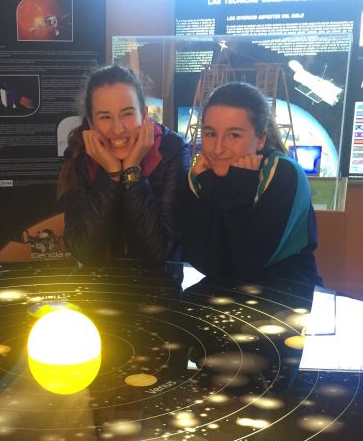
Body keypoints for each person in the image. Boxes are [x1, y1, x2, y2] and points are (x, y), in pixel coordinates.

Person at [179, 81, 322, 285]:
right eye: (211, 134)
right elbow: (204, 262)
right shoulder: (202, 176)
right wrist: (212, 188)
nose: (218, 148)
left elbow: (247, 264)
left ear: (260, 139)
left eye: (234, 135)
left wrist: (239, 188)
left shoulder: (283, 173)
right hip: (222, 294)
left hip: (288, 292)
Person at [58, 65, 190, 266]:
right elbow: (84, 251)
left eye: (127, 114)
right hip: (101, 280)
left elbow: (159, 252)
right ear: (91, 123)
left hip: (160, 281)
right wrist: (111, 173)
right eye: (105, 117)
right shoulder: (79, 153)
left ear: (144, 115)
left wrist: (132, 171)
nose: (118, 129)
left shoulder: (172, 149)